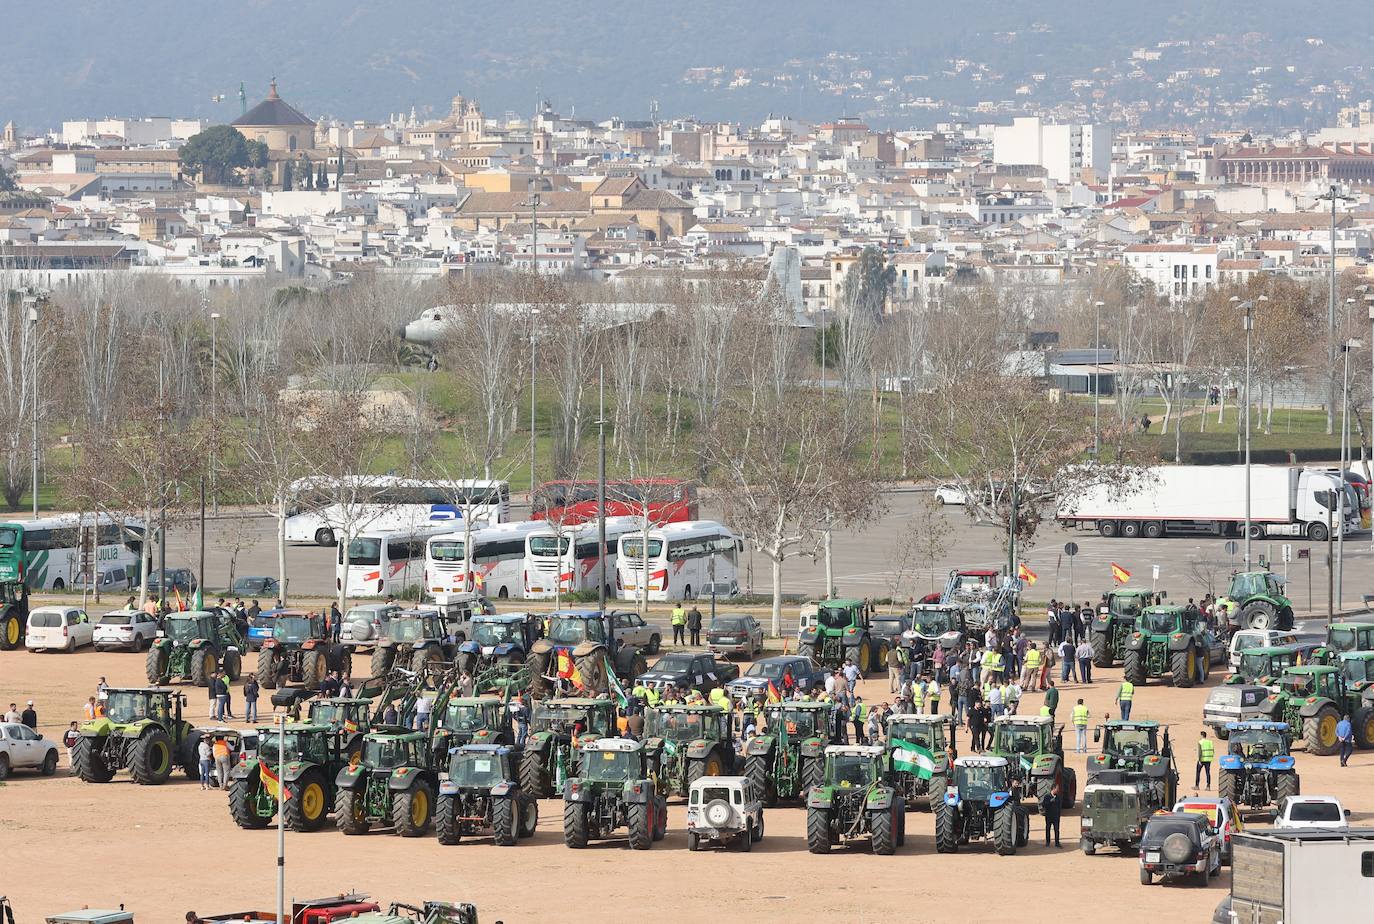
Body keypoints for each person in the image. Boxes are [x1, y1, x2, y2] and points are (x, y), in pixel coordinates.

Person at [1041, 780, 1063, 848]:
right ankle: (1048, 842)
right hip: (1049, 816)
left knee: (1056, 829)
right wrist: (1050, 801)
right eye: (1057, 788)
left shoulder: (1058, 797)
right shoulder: (1047, 796)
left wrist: (1059, 815)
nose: (1058, 790)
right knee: (1048, 829)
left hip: (1056, 816)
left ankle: (1057, 843)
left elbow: (1059, 806)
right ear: (1053, 788)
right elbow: (1043, 805)